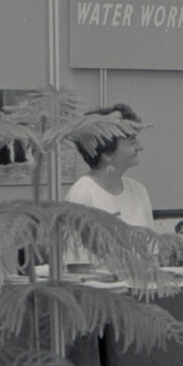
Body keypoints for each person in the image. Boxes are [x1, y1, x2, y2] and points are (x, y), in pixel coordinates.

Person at [63, 105, 155, 262]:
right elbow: (77, 268)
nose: (140, 147)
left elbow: (152, 258)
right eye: (132, 142)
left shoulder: (139, 191)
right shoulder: (82, 194)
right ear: (106, 155)